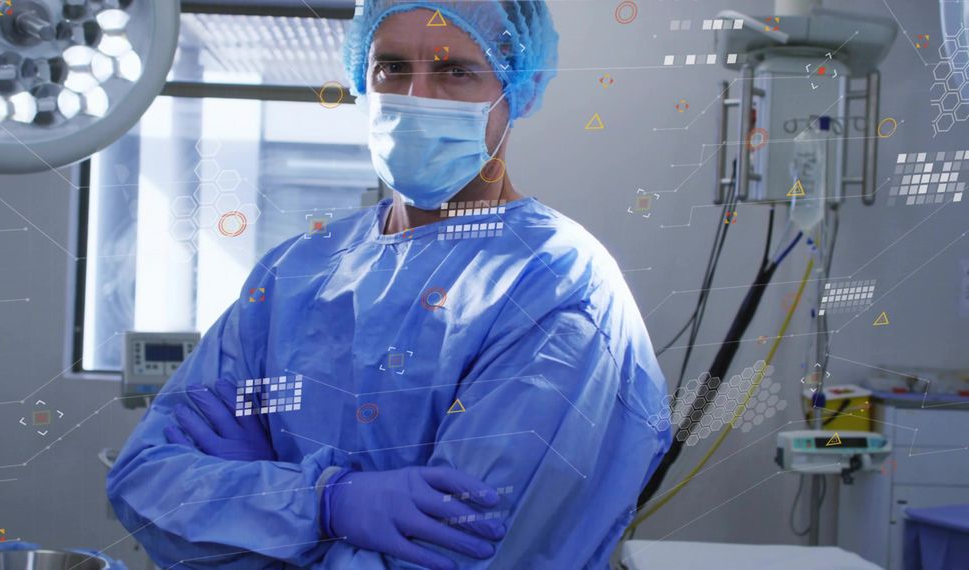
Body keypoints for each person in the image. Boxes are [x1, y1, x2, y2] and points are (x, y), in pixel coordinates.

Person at [106, 1, 670, 568]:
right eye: (392, 68)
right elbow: (144, 483)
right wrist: (324, 503)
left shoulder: (554, 287)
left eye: (455, 71)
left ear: (515, 89)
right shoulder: (296, 272)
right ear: (362, 78)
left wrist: (257, 502)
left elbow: (466, 555)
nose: (416, 96)